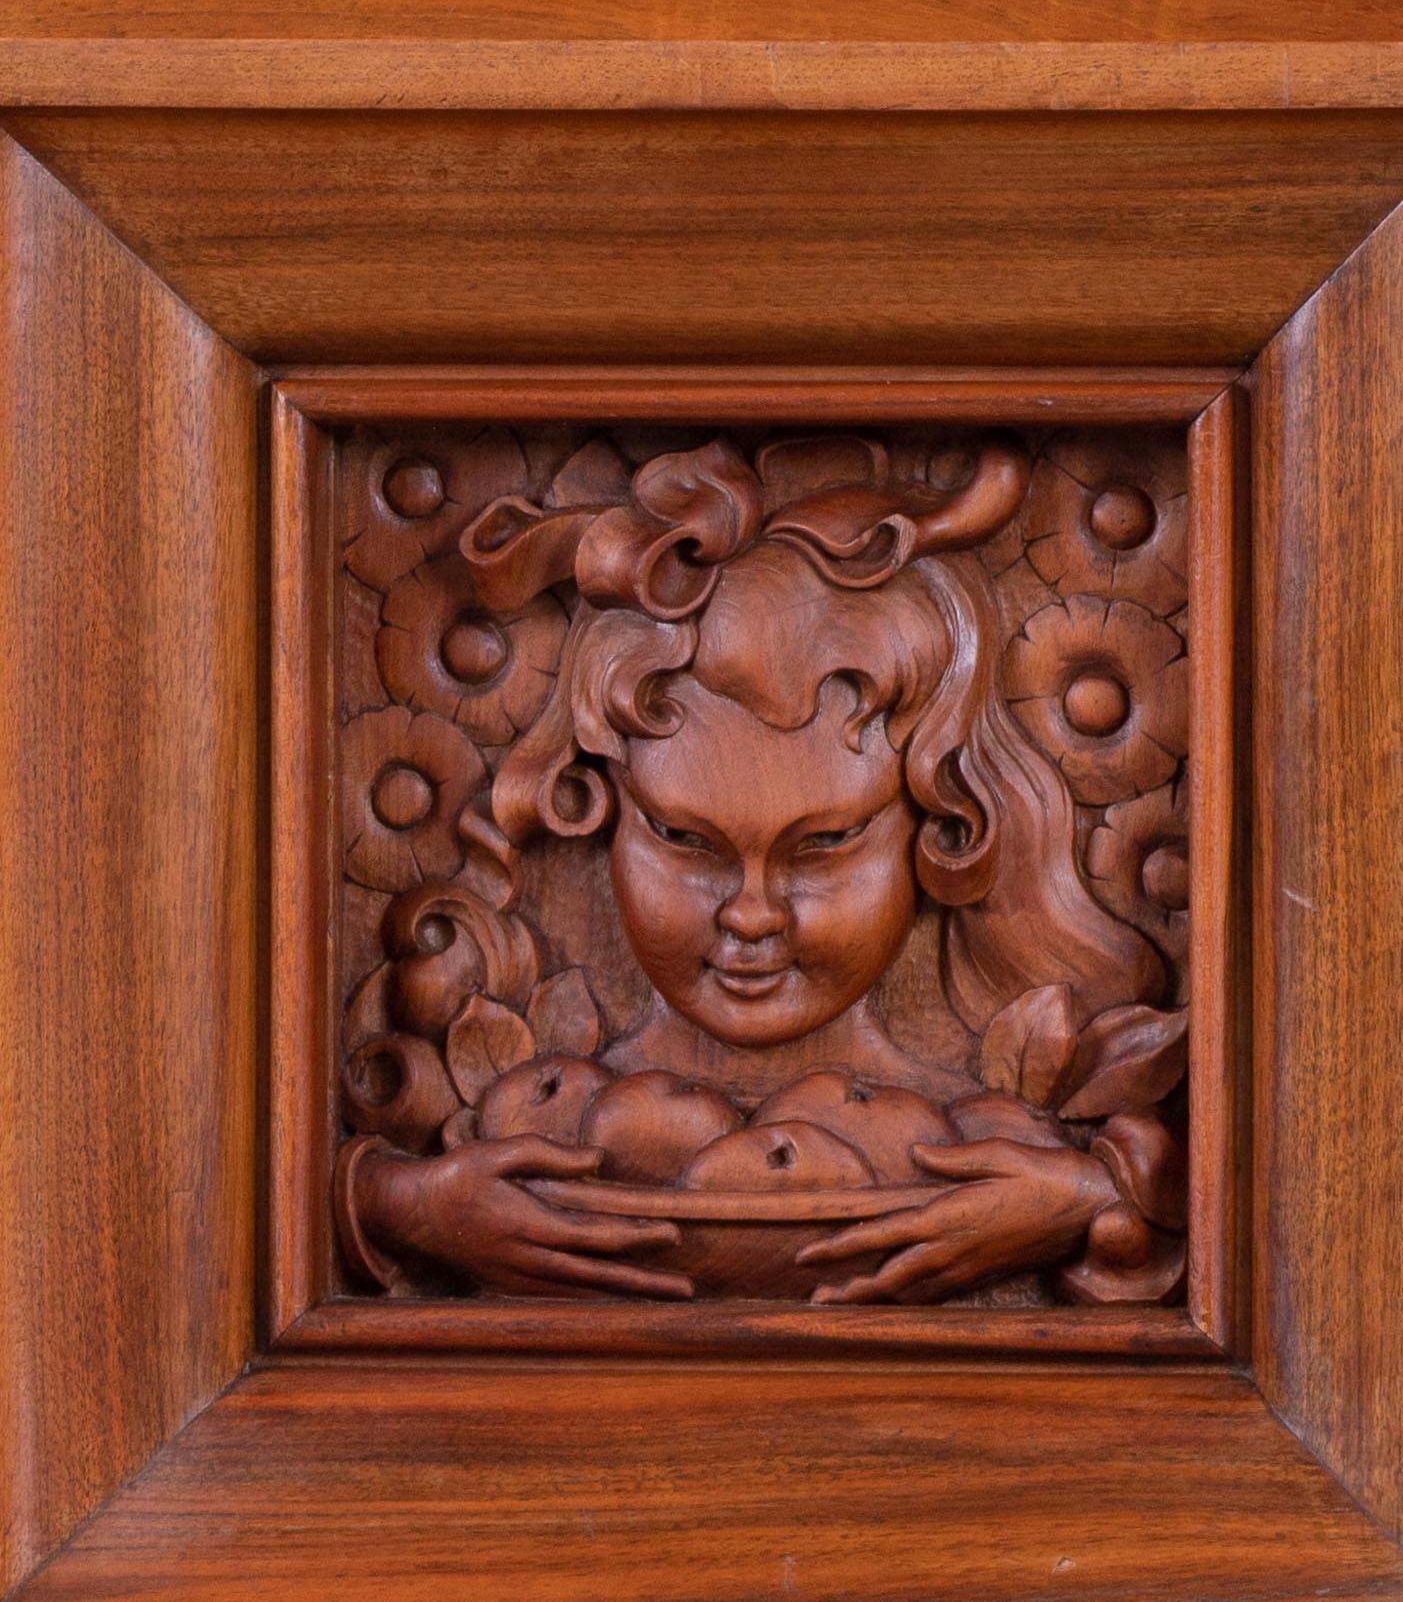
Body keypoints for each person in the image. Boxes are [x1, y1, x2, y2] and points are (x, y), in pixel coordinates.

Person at [337, 437, 1182, 1312]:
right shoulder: (529, 1107)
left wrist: (1084, 1203)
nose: (749, 914)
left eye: (823, 845)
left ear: (946, 828)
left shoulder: (1005, 1119)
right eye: (682, 838)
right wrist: (408, 1207)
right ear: (595, 806)